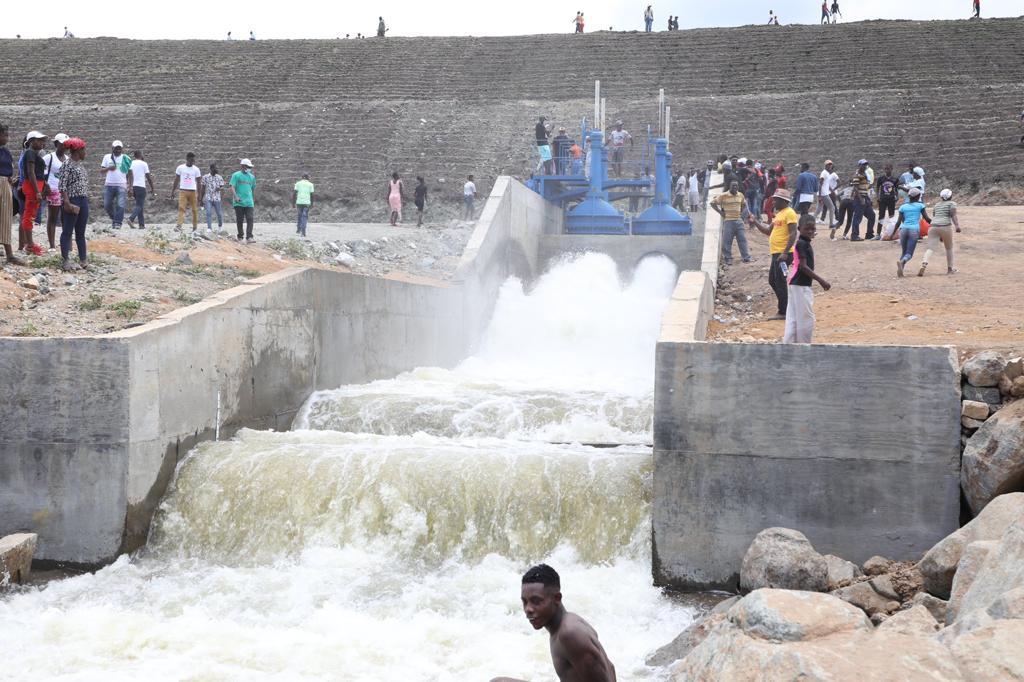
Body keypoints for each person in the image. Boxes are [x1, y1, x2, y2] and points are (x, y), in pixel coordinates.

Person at [490, 564, 616, 682]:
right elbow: (611, 667)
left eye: (536, 601)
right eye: (525, 601)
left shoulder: (570, 633)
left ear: (557, 598)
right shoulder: (566, 625)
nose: (528, 609)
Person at [748, 188, 797, 320]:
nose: (773, 202)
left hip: (783, 254)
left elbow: (793, 233)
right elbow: (767, 231)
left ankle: (783, 311)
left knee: (780, 281)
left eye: (776, 200)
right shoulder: (779, 215)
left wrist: (786, 253)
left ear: (783, 201)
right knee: (773, 280)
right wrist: (755, 222)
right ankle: (786, 305)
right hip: (777, 253)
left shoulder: (790, 213)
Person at [784, 214, 831, 343]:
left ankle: (789, 345)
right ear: (799, 229)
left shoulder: (803, 243)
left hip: (795, 283)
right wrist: (821, 280)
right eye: (807, 229)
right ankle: (803, 347)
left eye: (813, 229)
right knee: (805, 317)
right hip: (801, 284)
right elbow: (803, 267)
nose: (810, 231)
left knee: (793, 316)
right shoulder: (802, 244)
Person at [57, 137, 90, 271]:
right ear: (77, 150)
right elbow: (62, 185)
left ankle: (83, 259)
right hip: (72, 200)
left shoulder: (80, 166)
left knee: (80, 232)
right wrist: (67, 203)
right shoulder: (67, 165)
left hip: (82, 200)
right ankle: (66, 260)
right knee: (67, 231)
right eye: (84, 150)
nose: (85, 153)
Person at [19, 130, 49, 256]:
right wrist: (37, 191)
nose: (42, 142)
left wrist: (44, 186)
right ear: (31, 141)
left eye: (43, 140)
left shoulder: (33, 153)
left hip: (36, 185)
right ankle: (30, 245)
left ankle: (29, 244)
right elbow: (31, 173)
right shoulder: (30, 153)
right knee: (29, 214)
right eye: (39, 140)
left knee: (31, 214)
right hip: (33, 186)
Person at [0, 124, 27, 265]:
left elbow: (8, 169)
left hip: (5, 185)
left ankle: (9, 255)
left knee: (5, 219)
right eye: (5, 135)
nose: (7, 138)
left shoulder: (6, 152)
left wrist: (11, 179)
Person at [920, 188, 962, 276]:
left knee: (930, 248)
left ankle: (924, 263)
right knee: (949, 248)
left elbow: (935, 216)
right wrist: (957, 226)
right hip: (945, 226)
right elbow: (953, 215)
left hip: (933, 227)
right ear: (951, 196)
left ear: (941, 197)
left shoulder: (937, 205)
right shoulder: (952, 204)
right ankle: (950, 269)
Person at [711, 180, 752, 266]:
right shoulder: (723, 196)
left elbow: (744, 204)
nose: (735, 188)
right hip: (728, 221)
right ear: (729, 186)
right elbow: (712, 203)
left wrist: (741, 212)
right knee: (727, 241)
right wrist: (720, 212)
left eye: (736, 186)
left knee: (742, 239)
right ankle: (728, 258)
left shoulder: (740, 195)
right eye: (733, 186)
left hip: (739, 220)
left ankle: (746, 257)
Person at [894, 187, 930, 277]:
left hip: (903, 229)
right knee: (909, 253)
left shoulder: (903, 207)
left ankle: (901, 270)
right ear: (918, 196)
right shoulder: (920, 206)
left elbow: (899, 221)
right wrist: (934, 223)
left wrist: (892, 233)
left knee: (904, 252)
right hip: (914, 230)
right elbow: (926, 218)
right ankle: (902, 262)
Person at [43, 133, 69, 249]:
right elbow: (40, 171)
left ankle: (66, 244)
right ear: (56, 144)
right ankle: (52, 245)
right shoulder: (49, 157)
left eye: (67, 145)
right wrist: (45, 184)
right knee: (53, 218)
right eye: (63, 144)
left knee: (66, 219)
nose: (65, 147)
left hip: (65, 191)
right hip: (53, 190)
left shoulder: (68, 159)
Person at [100, 140, 129, 229]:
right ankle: (115, 219)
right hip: (109, 185)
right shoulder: (107, 157)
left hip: (121, 185)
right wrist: (109, 168)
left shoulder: (126, 158)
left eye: (119, 149)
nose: (118, 151)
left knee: (120, 205)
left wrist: (130, 186)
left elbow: (130, 173)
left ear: (122, 149)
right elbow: (101, 171)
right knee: (107, 205)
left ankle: (118, 223)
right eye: (116, 149)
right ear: (112, 148)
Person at [171, 152, 202, 234]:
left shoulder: (196, 169)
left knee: (195, 210)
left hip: (193, 191)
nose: (193, 162)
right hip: (183, 191)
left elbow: (199, 182)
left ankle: (195, 227)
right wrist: (173, 191)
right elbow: (176, 180)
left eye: (194, 160)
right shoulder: (180, 168)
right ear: (187, 159)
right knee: (181, 208)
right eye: (191, 160)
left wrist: (199, 195)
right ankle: (179, 226)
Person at [126, 150, 155, 230]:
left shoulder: (131, 163)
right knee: (139, 205)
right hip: (141, 187)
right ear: (141, 155)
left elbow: (128, 175)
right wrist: (152, 188)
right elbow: (148, 177)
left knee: (140, 205)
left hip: (133, 187)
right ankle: (131, 219)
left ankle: (141, 225)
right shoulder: (144, 164)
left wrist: (129, 187)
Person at [230, 158, 256, 242]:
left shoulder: (252, 177)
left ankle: (249, 237)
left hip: (249, 202)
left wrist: (252, 199)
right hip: (239, 202)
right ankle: (240, 236)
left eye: (250, 167)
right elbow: (232, 187)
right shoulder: (236, 175)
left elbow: (252, 189)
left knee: (250, 218)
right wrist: (236, 197)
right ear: (242, 166)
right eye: (248, 166)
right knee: (239, 219)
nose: (249, 168)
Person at [848, 160, 875, 240]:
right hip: (859, 199)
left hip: (865, 197)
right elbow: (856, 188)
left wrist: (867, 198)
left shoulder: (864, 175)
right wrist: (861, 199)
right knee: (857, 217)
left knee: (872, 215)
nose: (865, 166)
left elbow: (864, 187)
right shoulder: (857, 175)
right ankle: (854, 235)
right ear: (859, 165)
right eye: (863, 165)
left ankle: (869, 234)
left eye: (866, 164)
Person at [200, 163, 225, 235]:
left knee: (219, 214)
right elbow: (203, 189)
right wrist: (201, 199)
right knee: (208, 213)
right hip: (208, 198)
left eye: (217, 168)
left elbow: (222, 188)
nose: (217, 169)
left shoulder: (219, 177)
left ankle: (220, 227)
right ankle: (209, 228)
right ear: (211, 169)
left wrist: (219, 189)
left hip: (217, 198)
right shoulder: (205, 177)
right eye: (215, 168)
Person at [875, 164, 899, 234]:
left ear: (892, 169)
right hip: (882, 199)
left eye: (888, 169)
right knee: (881, 216)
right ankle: (878, 234)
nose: (886, 170)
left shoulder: (895, 179)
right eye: (885, 169)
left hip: (891, 199)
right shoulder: (881, 178)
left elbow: (896, 189)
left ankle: (891, 233)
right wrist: (877, 196)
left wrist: (897, 196)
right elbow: (877, 187)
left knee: (891, 216)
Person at [290, 172, 315, 237]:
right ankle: (303, 231)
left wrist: (293, 203)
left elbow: (294, 194)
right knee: (304, 216)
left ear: (302, 177)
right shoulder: (310, 184)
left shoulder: (298, 183)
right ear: (308, 178)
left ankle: (298, 229)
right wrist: (312, 204)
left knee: (299, 215)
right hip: (307, 203)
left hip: (299, 202)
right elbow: (312, 195)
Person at [818, 159, 838, 229]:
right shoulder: (824, 173)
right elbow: (820, 184)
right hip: (824, 194)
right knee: (832, 207)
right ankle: (831, 224)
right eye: (828, 164)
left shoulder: (827, 173)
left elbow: (826, 184)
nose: (830, 166)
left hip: (825, 193)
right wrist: (820, 196)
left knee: (819, 209)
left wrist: (831, 190)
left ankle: (811, 222)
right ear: (825, 165)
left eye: (830, 164)